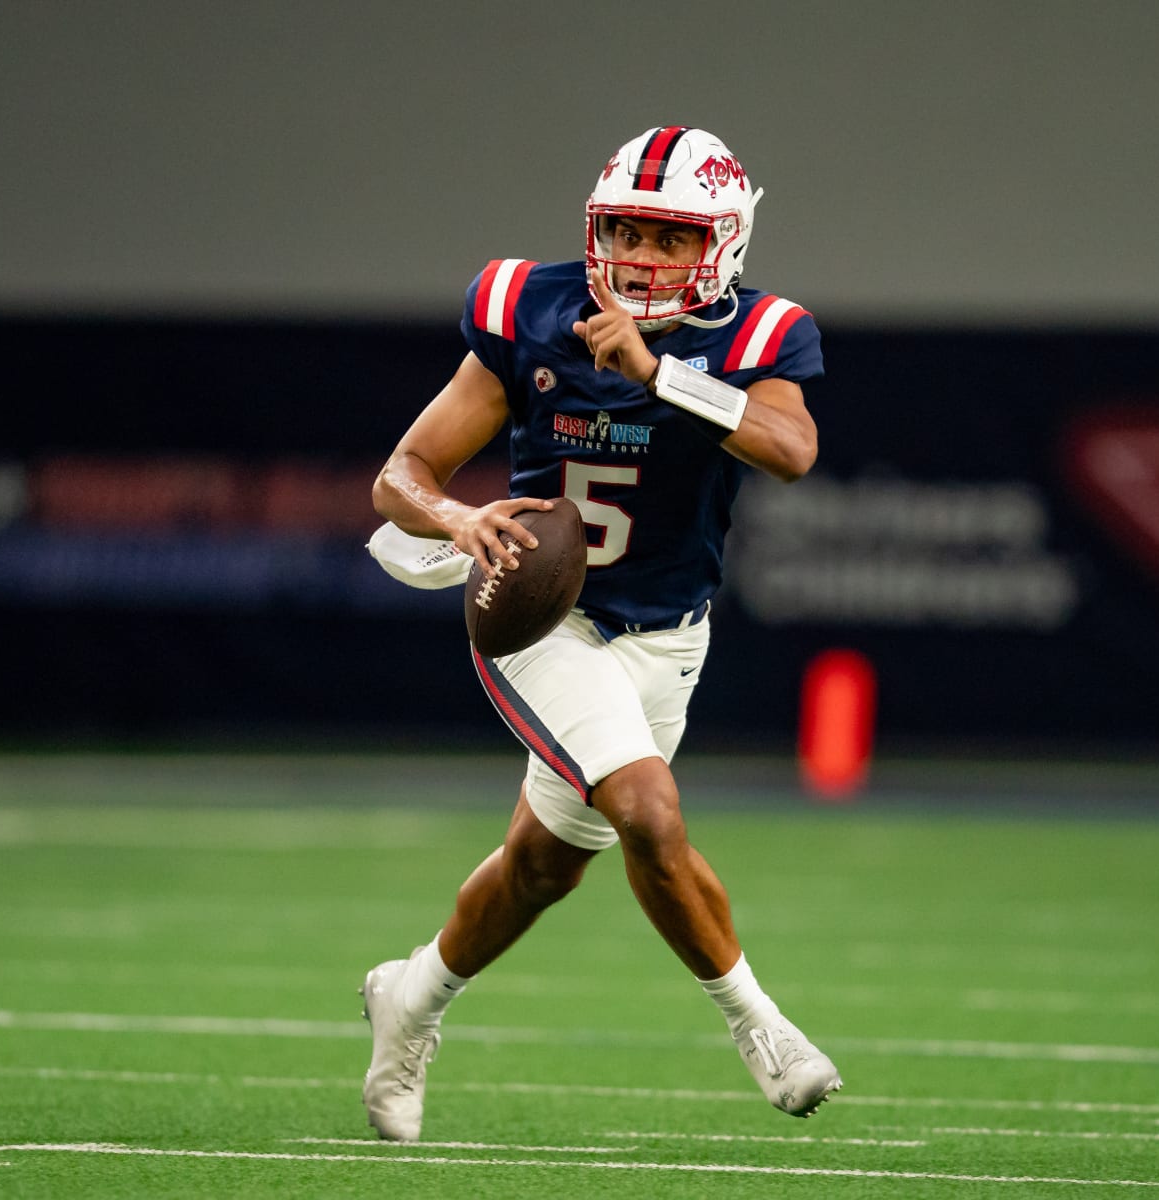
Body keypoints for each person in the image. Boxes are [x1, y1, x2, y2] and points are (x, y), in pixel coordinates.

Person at [363, 125, 840, 1142]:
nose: (641, 257)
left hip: (667, 638)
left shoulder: (761, 334)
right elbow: (401, 475)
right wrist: (458, 521)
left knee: (543, 867)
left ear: (722, 243)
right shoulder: (528, 309)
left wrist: (663, 377)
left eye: (670, 239)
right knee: (648, 812)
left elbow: (792, 448)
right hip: (541, 612)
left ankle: (412, 999)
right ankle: (759, 1024)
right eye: (626, 229)